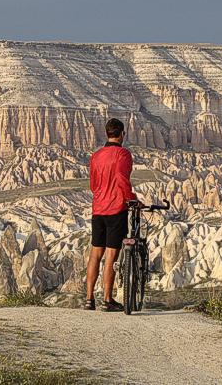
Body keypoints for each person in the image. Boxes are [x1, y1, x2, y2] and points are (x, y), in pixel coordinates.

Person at [84, 118, 140, 311]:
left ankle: (89, 298)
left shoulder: (96, 155)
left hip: (98, 208)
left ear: (106, 133)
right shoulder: (123, 154)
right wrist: (131, 198)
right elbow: (123, 180)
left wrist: (101, 194)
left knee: (94, 254)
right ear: (122, 134)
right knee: (111, 256)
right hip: (116, 209)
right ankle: (108, 299)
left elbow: (93, 184)